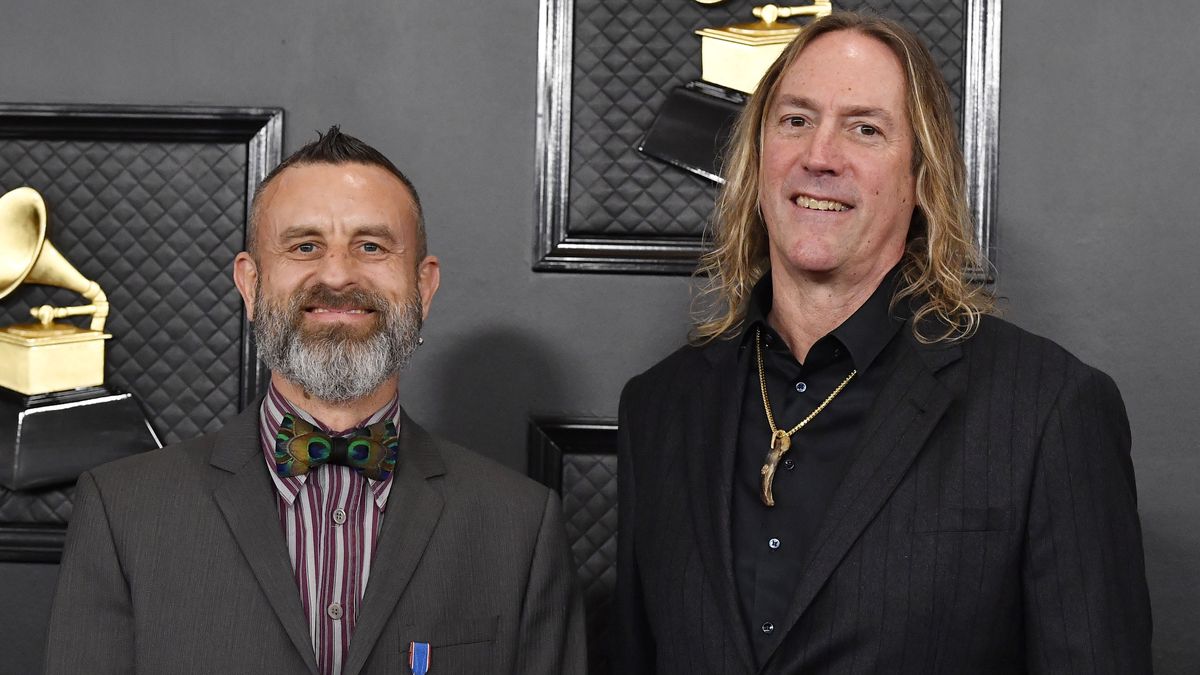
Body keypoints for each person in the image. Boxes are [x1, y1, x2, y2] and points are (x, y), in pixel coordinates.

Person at [614, 12, 1151, 674]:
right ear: (757, 161)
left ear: (923, 180)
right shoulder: (659, 408)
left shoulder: (1047, 410)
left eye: (865, 129)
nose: (819, 155)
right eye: (795, 120)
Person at [45, 127, 586, 675]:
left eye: (371, 246)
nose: (336, 274)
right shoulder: (123, 512)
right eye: (305, 246)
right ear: (251, 286)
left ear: (423, 287)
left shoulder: (519, 525)